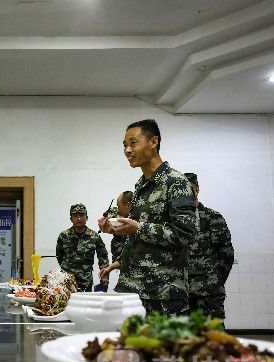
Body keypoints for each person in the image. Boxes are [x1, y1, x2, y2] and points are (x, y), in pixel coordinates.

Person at [98, 119, 197, 316]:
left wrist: (139, 228)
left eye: (133, 143)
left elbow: (186, 234)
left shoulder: (176, 183)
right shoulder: (141, 186)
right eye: (125, 145)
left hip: (161, 293)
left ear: (153, 142)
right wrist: (117, 230)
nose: (127, 150)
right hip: (131, 288)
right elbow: (139, 237)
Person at [184, 172, 234, 319]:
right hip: (180, 295)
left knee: (211, 332)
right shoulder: (173, 222)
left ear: (197, 189)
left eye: (188, 189)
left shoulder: (212, 218)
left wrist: (214, 281)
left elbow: (226, 255)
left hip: (208, 295)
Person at [56, 203, 109, 292]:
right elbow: (59, 256)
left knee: (86, 301)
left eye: (81, 215)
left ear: (86, 218)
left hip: (85, 282)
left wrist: (104, 276)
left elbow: (103, 257)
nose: (79, 219)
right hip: (67, 281)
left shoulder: (94, 236)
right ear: (71, 219)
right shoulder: (63, 236)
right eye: (75, 216)